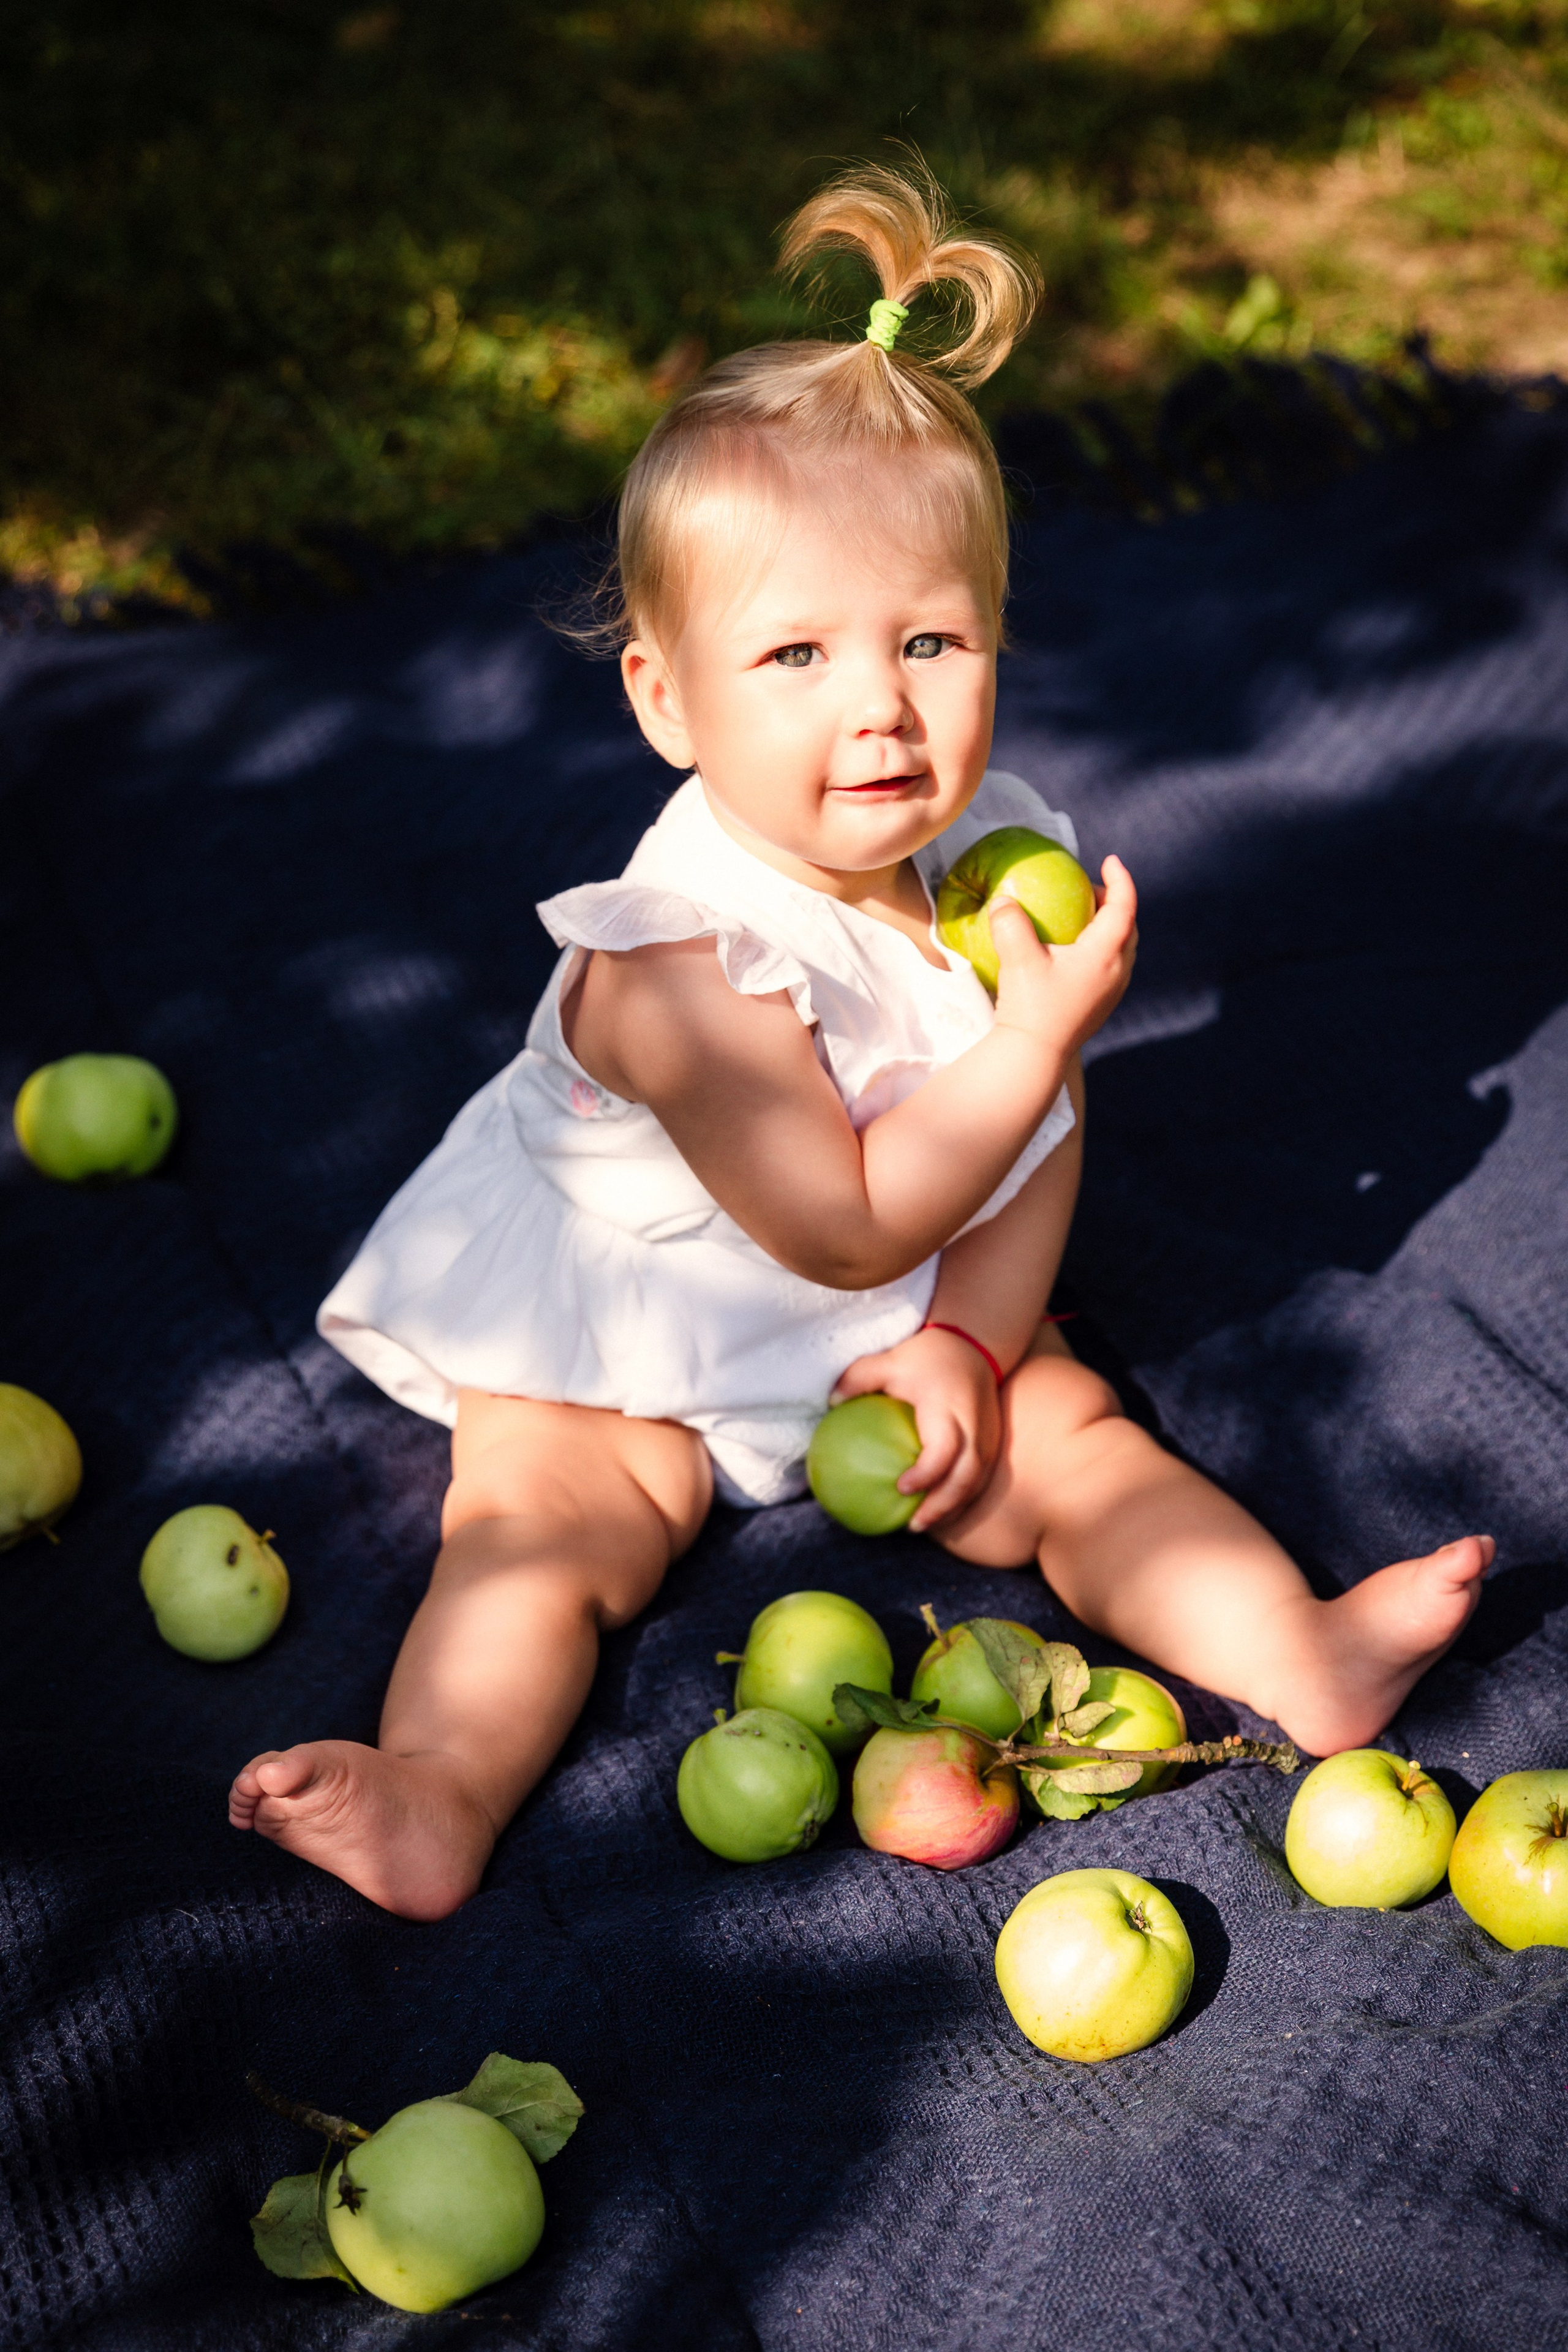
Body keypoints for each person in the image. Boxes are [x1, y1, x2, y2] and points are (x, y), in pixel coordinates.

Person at [228, 164, 1491, 1919]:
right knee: (541, 1534)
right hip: (626, 1316)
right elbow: (841, 1218)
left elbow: (1034, 1157)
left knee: (1080, 1441)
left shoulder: (994, 862)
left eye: (930, 640)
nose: (880, 705)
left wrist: (974, 1344)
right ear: (667, 700)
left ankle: (1299, 1650)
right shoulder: (679, 961)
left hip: (895, 1315)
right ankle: (442, 1787)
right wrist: (1028, 1047)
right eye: (800, 652)